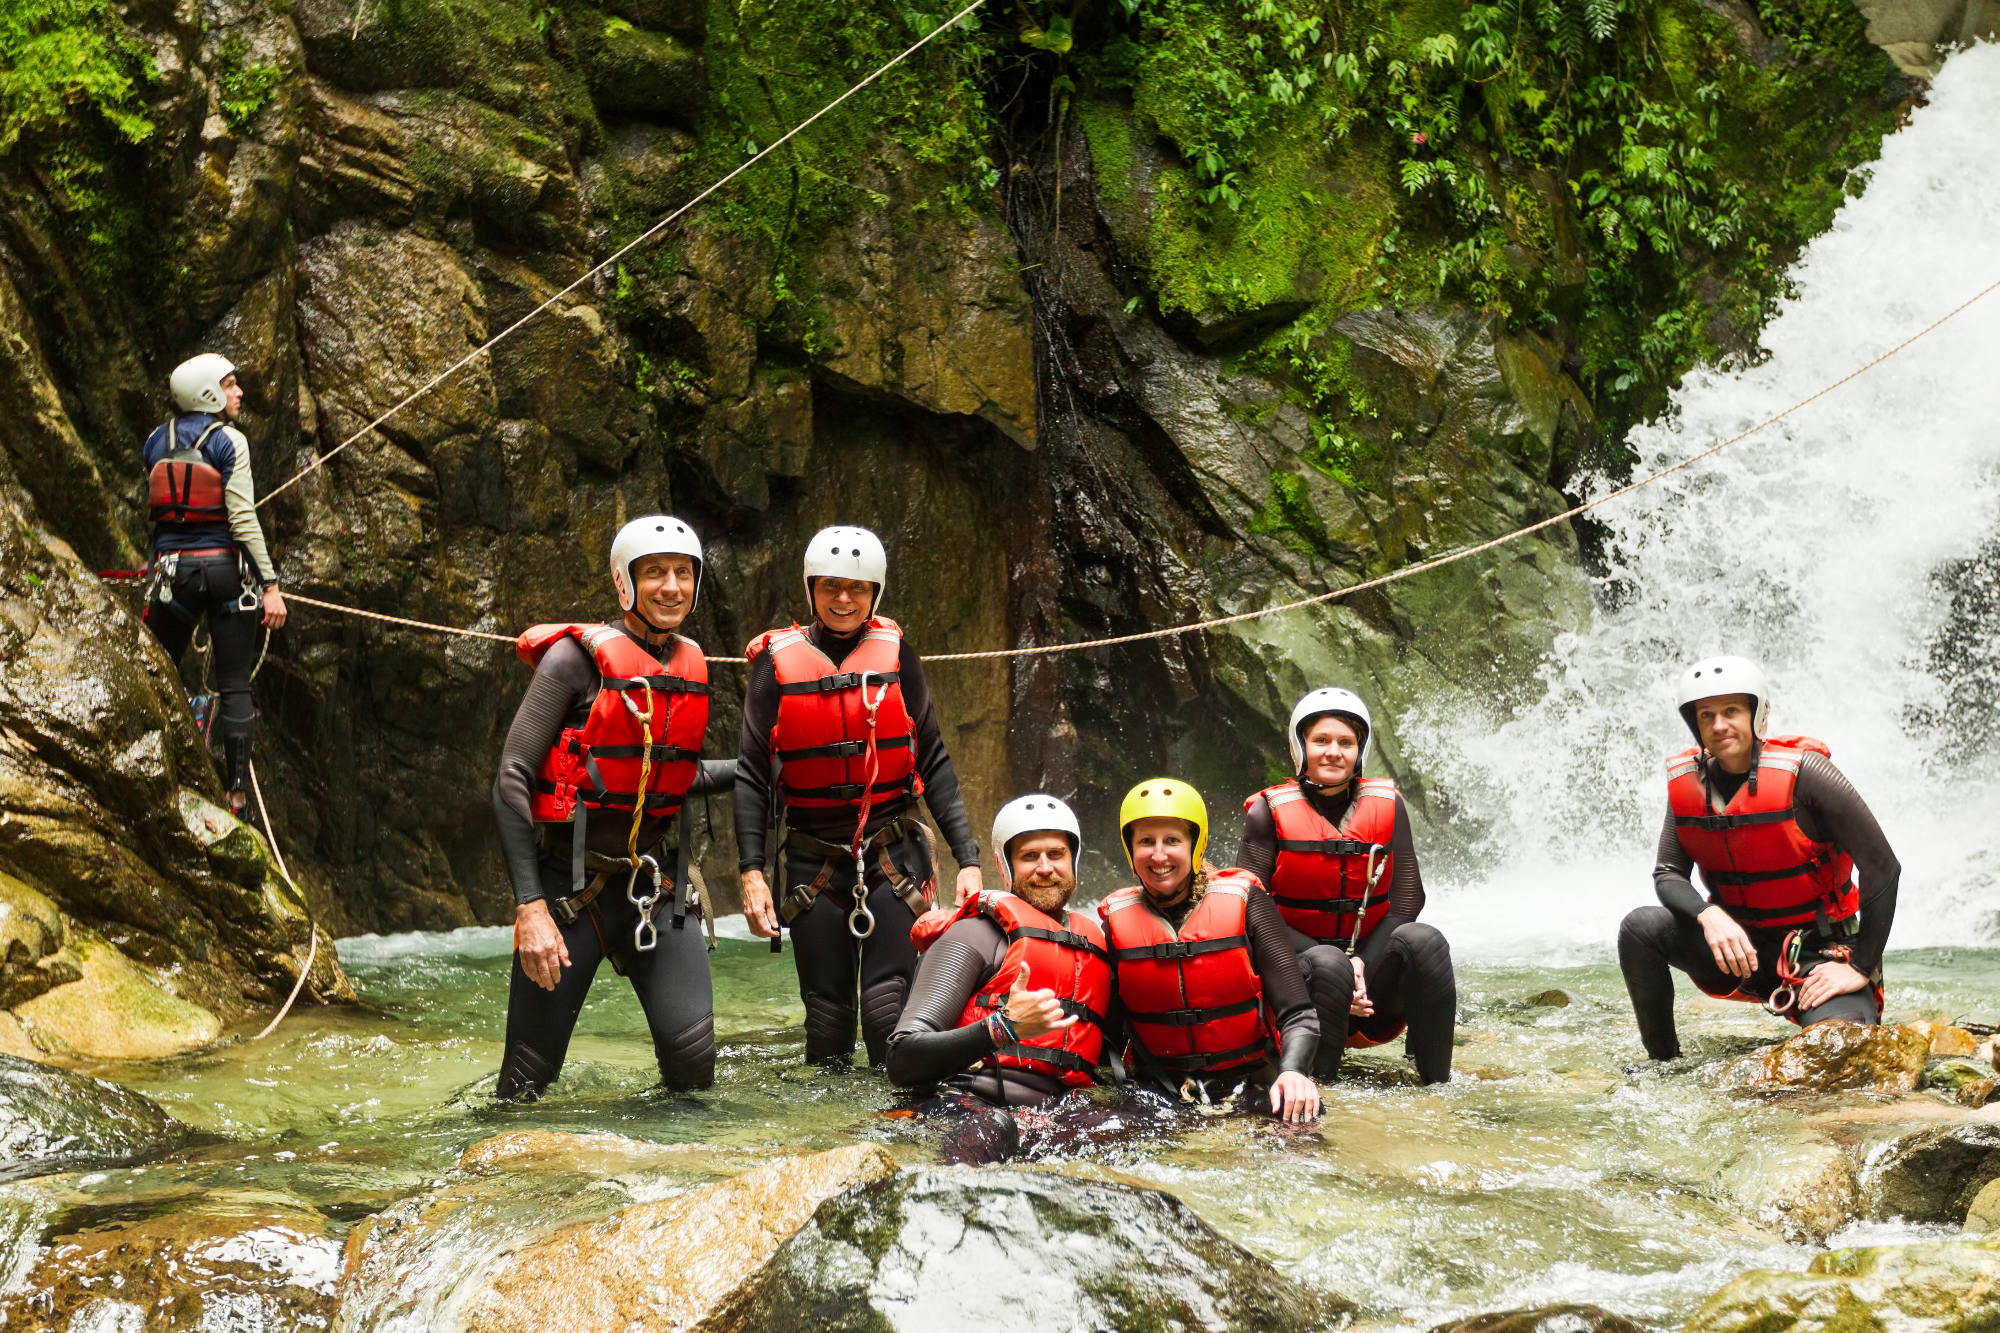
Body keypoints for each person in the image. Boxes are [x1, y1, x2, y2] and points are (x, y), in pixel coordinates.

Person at [490, 516, 734, 1100]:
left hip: (656, 887)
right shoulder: (573, 662)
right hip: (570, 895)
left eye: (682, 573)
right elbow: (511, 778)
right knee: (526, 1083)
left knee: (694, 1069)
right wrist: (531, 908)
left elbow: (672, 776)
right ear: (626, 584)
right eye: (654, 574)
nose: (671, 586)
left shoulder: (689, 665)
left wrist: (758, 771)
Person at [735, 526, 982, 1067]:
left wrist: (968, 858)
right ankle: (830, 1143)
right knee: (826, 1024)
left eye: (856, 587)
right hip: (812, 862)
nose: (843, 599)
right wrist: (752, 873)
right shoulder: (774, 668)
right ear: (810, 590)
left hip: (892, 857)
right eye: (830, 586)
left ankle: (896, 1135)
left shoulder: (899, 658)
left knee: (887, 1016)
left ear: (875, 593)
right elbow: (753, 775)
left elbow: (934, 760)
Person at [1617, 656, 1898, 1061]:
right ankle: (1664, 1065)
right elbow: (1669, 873)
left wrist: (1859, 964)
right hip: (1738, 951)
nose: (1718, 725)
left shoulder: (1808, 774)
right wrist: (1706, 915)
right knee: (1640, 928)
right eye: (1706, 715)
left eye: (1731, 711)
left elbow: (1883, 866)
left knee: (1841, 1053)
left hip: (1817, 958)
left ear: (1757, 714)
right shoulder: (1689, 784)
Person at [1236, 688, 1456, 1085]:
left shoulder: (1389, 805)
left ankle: (1437, 1084)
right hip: (1298, 982)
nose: (1333, 752)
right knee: (1328, 963)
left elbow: (1408, 898)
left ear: (1360, 751)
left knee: (1425, 940)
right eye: (1320, 741)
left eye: (1345, 742)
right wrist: (1333, 964)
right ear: (1300, 747)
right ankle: (1315, 1088)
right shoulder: (1266, 813)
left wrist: (1360, 966)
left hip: (1368, 988)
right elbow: (1247, 910)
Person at [1103, 779, 1321, 1120]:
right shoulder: (1114, 924)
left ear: (1195, 845)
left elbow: (1297, 1012)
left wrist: (1294, 1071)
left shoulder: (1247, 902)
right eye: (1146, 841)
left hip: (1251, 1083)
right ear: (1131, 849)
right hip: (1162, 1092)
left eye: (1172, 841)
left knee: (1301, 1125)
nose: (1158, 855)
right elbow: (1108, 1035)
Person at [885, 794, 1111, 1115]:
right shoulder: (975, 934)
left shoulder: (1092, 945)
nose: (1045, 867)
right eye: (1029, 856)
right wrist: (1002, 1027)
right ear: (1006, 866)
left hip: (1059, 1116)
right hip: (973, 1105)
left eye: (1056, 854)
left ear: (1072, 860)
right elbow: (901, 1058)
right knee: (996, 1129)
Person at [140, 353, 288, 813]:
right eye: (229, 385)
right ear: (207, 392)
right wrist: (270, 586)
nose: (239, 392)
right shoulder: (229, 441)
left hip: (173, 575)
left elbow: (161, 509)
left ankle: (158, 756)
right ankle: (236, 794)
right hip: (225, 575)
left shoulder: (154, 441)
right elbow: (242, 518)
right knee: (235, 684)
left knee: (157, 663)